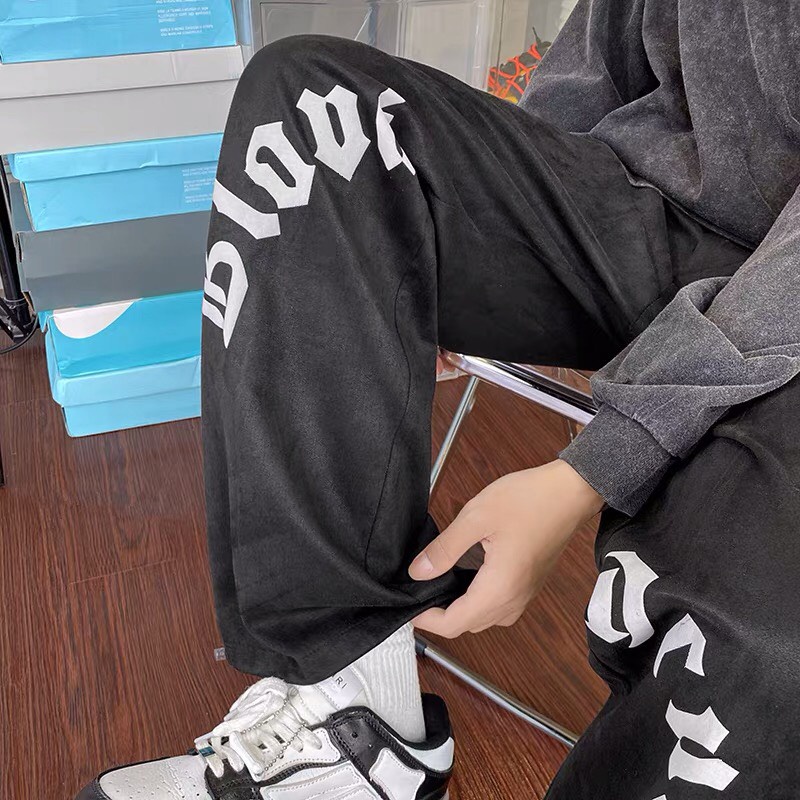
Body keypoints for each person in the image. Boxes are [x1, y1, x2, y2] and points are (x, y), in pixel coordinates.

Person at [78, 1, 800, 798]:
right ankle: (355, 712)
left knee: (767, 643)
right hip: (644, 216)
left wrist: (588, 473)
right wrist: (476, 244)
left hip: (781, 289)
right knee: (309, 100)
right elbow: (593, 70)